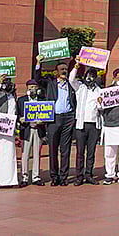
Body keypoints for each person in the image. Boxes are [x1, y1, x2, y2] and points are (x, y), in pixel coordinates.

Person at [34, 57, 75, 186]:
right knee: (52, 148)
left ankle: (64, 177)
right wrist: (38, 63)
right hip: (54, 118)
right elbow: (37, 79)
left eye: (65, 69)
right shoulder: (50, 83)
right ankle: (54, 176)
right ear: (56, 72)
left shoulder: (71, 84)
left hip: (68, 118)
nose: (64, 71)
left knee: (65, 149)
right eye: (61, 69)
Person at [68, 63, 101, 185]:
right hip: (81, 124)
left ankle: (89, 174)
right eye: (88, 75)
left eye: (92, 76)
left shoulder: (99, 90)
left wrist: (100, 103)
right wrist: (76, 67)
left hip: (94, 125)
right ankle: (79, 175)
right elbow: (71, 79)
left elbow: (101, 107)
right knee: (80, 152)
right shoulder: (80, 87)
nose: (90, 78)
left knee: (91, 152)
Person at [15, 79, 46, 187]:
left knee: (37, 153)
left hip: (38, 129)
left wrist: (43, 120)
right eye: (30, 87)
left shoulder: (42, 100)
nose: (32, 89)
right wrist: (20, 119)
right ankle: (24, 176)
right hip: (26, 129)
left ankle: (36, 177)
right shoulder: (21, 100)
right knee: (25, 154)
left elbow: (47, 114)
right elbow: (17, 114)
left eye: (34, 87)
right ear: (26, 88)